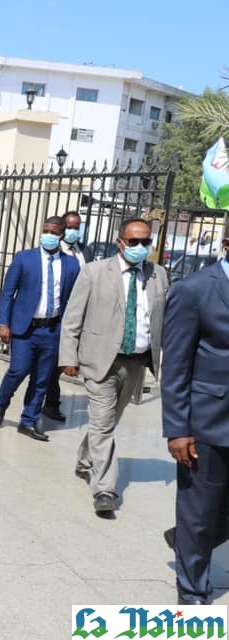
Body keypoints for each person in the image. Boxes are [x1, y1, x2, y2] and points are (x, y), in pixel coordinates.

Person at [60, 218, 169, 517]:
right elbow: (72, 319)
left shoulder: (158, 275)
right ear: (120, 242)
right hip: (100, 361)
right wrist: (69, 358)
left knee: (106, 422)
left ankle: (85, 460)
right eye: (133, 242)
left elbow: (162, 320)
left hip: (137, 362)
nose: (140, 248)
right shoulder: (94, 272)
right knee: (103, 423)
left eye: (145, 242)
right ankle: (105, 489)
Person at [161, 232, 229, 605]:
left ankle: (184, 538)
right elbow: (176, 364)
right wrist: (178, 428)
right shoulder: (194, 289)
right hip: (207, 421)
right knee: (199, 511)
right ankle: (192, 591)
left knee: (208, 520)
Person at [0, 217, 81, 442]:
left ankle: (28, 420)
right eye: (46, 230)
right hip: (25, 329)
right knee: (18, 370)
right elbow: (7, 293)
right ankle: (1, 402)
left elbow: (72, 300)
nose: (49, 234)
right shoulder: (24, 259)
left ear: (61, 235)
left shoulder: (71, 264)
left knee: (42, 379)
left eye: (54, 231)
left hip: (52, 330)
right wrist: (4, 323)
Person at [42, 210, 87, 421]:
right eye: (69, 227)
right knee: (54, 363)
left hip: (78, 314)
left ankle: (48, 400)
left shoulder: (83, 251)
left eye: (77, 227)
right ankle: (49, 403)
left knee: (61, 363)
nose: (73, 231)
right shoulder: (53, 250)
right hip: (58, 314)